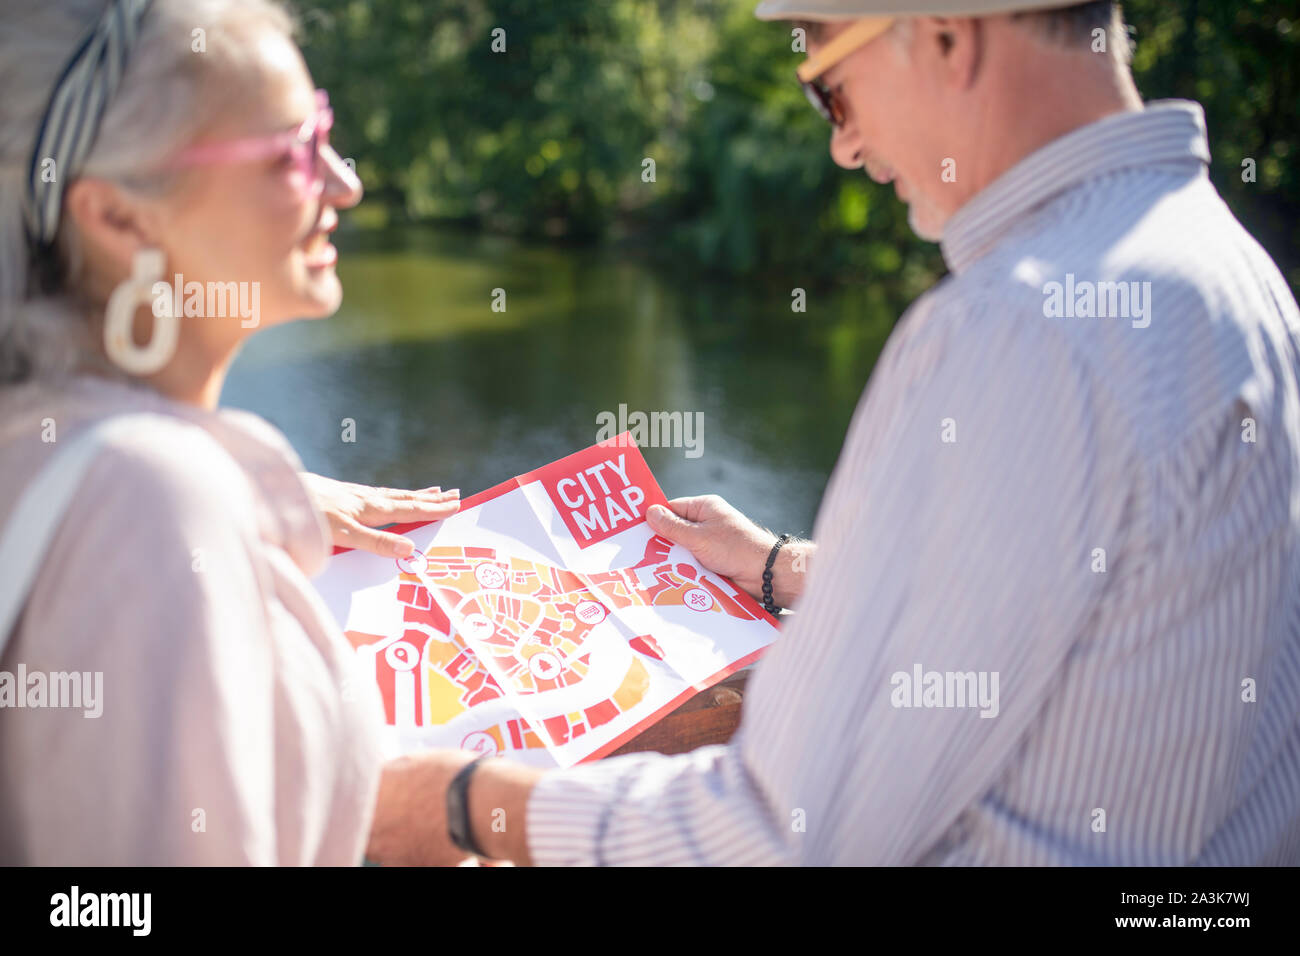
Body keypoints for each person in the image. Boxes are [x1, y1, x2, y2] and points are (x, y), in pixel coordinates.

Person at [366, 0, 1300, 866]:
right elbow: (1090, 603)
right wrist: (785, 568)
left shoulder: (1015, 326)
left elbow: (782, 835)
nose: (846, 148)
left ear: (943, 36)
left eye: (829, 88)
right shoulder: (1224, 267)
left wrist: (459, 801)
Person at [0, 0, 458, 863]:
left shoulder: (81, 448)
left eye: (322, 124)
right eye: (290, 152)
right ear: (120, 218)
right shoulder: (145, 502)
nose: (345, 183)